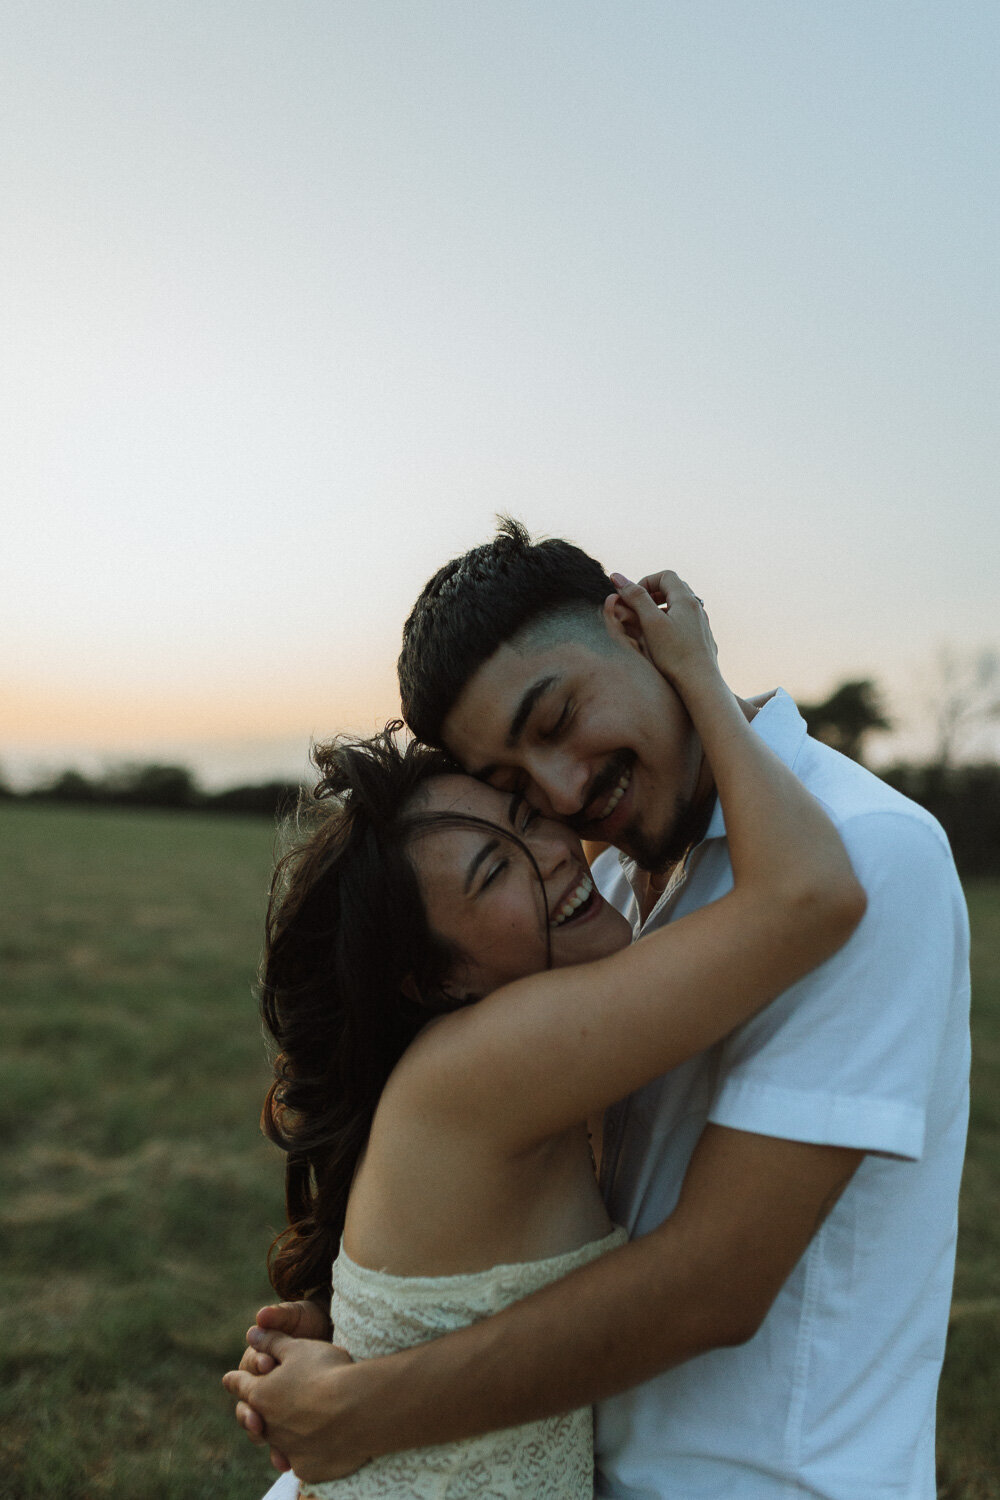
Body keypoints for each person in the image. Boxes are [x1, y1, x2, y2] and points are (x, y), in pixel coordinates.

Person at [230, 524, 970, 1500]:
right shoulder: (603, 889)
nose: (566, 793)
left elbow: (713, 1283)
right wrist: (391, 1315)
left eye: (558, 717)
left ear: (635, 630)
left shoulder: (870, 853)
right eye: (514, 788)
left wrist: (368, 1402)